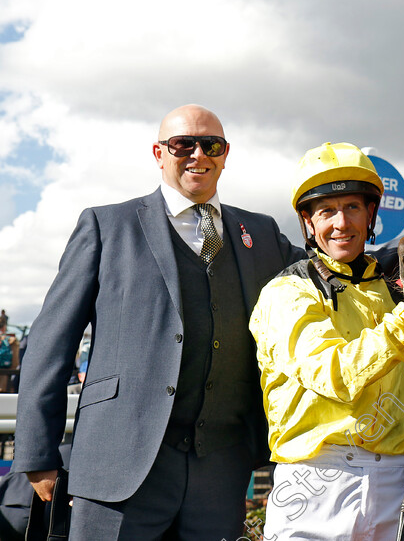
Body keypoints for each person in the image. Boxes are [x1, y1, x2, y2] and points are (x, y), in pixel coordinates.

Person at [13, 104, 305, 540]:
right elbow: (50, 344)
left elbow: (327, 272)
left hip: (220, 472)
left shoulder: (261, 234)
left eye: (211, 145)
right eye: (182, 144)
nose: (197, 155)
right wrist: (38, 454)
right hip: (118, 469)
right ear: (159, 152)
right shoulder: (106, 225)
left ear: (225, 155)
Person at [250, 142, 404, 540]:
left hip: (393, 480)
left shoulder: (390, 292)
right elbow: (334, 374)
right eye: (326, 211)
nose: (341, 222)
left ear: (371, 213)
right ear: (308, 221)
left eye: (352, 207)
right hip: (315, 482)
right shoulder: (287, 292)